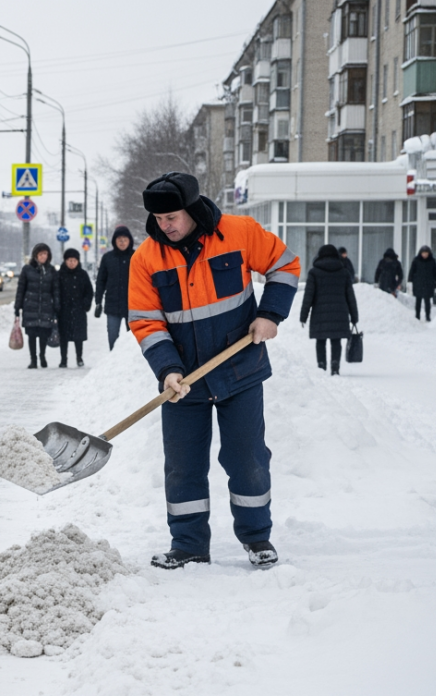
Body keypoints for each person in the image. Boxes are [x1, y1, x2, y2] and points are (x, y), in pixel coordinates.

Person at [128, 172, 299, 570]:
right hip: (183, 381)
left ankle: (257, 538)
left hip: (240, 368)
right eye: (158, 219)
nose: (164, 226)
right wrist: (168, 370)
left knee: (247, 458)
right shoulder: (146, 259)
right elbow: (146, 322)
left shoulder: (238, 233)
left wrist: (270, 314)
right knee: (183, 465)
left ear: (191, 208)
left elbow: (286, 265)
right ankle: (188, 544)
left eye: (172, 217)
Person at [299, 244, 358, 376]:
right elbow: (350, 297)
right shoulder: (344, 272)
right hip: (339, 313)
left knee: (320, 340)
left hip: (320, 314)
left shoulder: (314, 272)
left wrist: (303, 316)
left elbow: (308, 296)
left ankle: (321, 365)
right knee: (336, 340)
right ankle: (335, 364)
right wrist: (354, 316)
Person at [15, 242, 59, 369]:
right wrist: (17, 307)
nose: (43, 256)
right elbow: (21, 289)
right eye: (41, 254)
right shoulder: (27, 269)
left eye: (45, 254)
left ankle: (42, 356)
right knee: (32, 334)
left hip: (46, 307)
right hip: (30, 307)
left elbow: (55, 290)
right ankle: (33, 359)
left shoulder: (51, 270)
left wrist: (56, 305)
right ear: (36, 255)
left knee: (44, 333)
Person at [95, 225, 135, 350]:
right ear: (114, 241)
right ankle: (113, 365)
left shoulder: (136, 257)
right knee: (113, 338)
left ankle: (132, 363)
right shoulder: (107, 258)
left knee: (134, 340)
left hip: (133, 305)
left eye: (125, 239)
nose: (122, 242)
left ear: (130, 240)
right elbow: (101, 281)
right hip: (113, 305)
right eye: (119, 239)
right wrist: (98, 302)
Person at [56, 248, 93, 368]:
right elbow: (55, 291)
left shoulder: (82, 274)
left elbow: (89, 291)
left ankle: (79, 358)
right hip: (64, 311)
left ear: (78, 261)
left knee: (78, 336)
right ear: (65, 261)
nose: (72, 263)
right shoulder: (60, 274)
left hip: (79, 310)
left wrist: (85, 304)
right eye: (69, 260)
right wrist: (57, 306)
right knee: (63, 336)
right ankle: (63, 359)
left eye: (74, 260)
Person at [408, 245, 436, 321]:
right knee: (418, 300)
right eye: (423, 253)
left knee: (427, 301)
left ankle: (428, 316)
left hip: (428, 283)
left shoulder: (432, 261)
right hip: (418, 283)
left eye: (426, 253)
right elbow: (412, 271)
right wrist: (410, 281)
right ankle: (417, 316)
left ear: (429, 253)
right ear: (420, 253)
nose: (424, 255)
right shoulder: (416, 260)